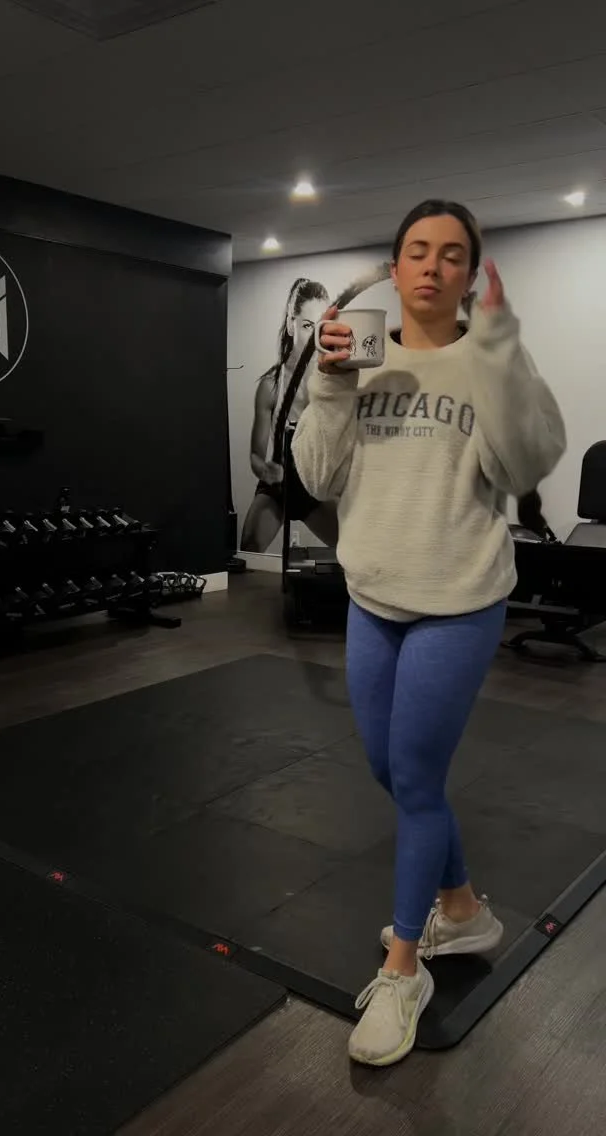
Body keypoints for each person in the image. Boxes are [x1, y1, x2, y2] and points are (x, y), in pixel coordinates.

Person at [292, 199, 566, 1067]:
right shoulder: (360, 357)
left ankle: (404, 968)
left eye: (452, 253)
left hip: (458, 599)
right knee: (390, 770)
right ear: (396, 263)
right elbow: (318, 477)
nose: (432, 265)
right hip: (372, 597)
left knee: (415, 777)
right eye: (418, 249)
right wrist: (330, 380)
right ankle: (463, 908)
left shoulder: (490, 360)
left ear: (471, 273)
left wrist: (500, 352)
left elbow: (525, 463)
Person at [240, 277, 338, 552]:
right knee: (249, 550)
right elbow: (255, 455)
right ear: (290, 324)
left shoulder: (336, 382)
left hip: (314, 486)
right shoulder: (271, 385)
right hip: (278, 486)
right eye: (307, 326)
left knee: (354, 552)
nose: (314, 337)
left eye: (320, 327)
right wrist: (265, 470)